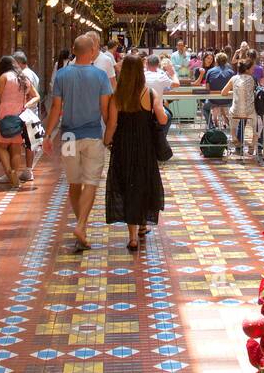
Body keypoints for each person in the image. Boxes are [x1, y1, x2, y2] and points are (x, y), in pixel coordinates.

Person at [44, 33, 111, 251]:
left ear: (73, 50)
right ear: (92, 51)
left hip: (69, 136)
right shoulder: (100, 76)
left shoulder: (62, 75)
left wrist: (47, 134)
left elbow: (56, 108)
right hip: (92, 135)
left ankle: (80, 225)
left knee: (74, 181)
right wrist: (110, 132)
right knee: (90, 181)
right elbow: (104, 109)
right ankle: (81, 225)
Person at [104, 54, 166, 251]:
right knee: (142, 183)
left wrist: (106, 142)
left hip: (123, 147)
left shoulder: (117, 97)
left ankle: (132, 237)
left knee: (128, 186)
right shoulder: (149, 94)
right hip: (145, 147)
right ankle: (143, 225)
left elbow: (112, 124)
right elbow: (163, 119)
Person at [0, 56, 38, 189]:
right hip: (20, 115)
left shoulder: (4, 77)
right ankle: (15, 173)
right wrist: (27, 103)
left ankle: (9, 171)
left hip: (5, 114)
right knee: (16, 147)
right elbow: (36, 96)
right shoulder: (24, 78)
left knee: (2, 146)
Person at [221, 56, 258, 155]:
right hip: (249, 112)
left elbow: (223, 92)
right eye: (252, 68)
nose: (253, 70)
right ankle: (252, 145)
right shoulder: (252, 79)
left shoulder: (234, 78)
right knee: (259, 124)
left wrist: (235, 92)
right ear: (247, 69)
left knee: (233, 115)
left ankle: (233, 135)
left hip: (235, 111)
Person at [13, 50, 41, 183]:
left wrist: (24, 105)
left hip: (25, 113)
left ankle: (19, 171)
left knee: (24, 142)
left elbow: (29, 94)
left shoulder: (23, 75)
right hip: (32, 112)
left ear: (18, 63)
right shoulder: (33, 73)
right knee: (30, 142)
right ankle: (27, 170)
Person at [204, 49, 234, 127]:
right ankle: (233, 126)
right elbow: (233, 88)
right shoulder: (231, 72)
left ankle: (211, 126)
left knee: (205, 108)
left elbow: (207, 89)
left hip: (213, 100)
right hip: (228, 101)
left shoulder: (210, 71)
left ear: (216, 61)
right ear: (226, 61)